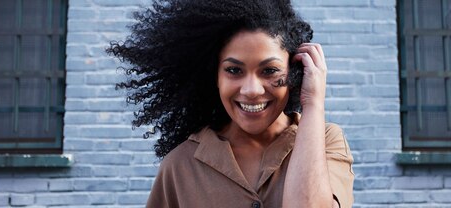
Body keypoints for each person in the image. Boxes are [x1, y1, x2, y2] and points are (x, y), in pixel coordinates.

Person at [107, 0, 354, 207]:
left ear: (294, 73)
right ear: (214, 75)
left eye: (269, 70)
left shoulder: (326, 142)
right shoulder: (180, 165)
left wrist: (313, 103)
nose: (251, 90)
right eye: (234, 70)